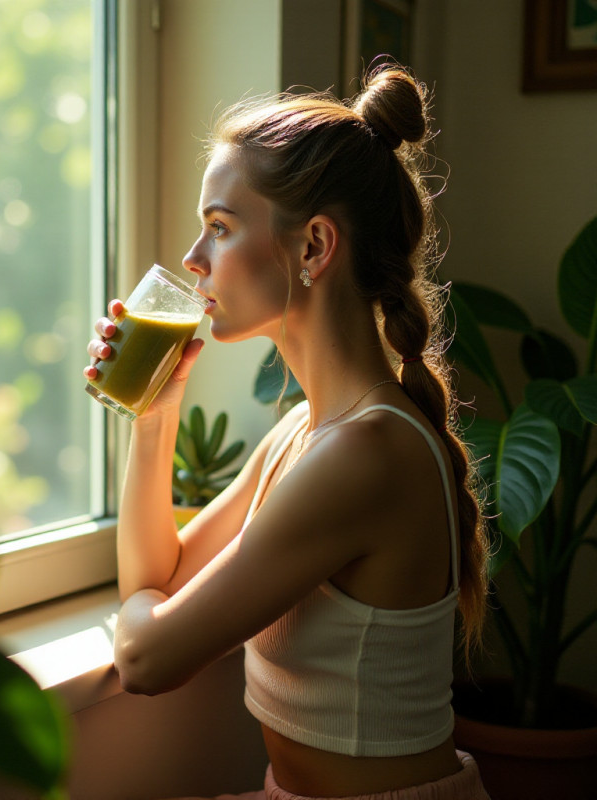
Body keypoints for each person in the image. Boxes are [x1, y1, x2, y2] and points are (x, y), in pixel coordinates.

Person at [84, 64, 491, 800]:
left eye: (219, 227)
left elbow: (145, 661)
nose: (191, 259)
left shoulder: (365, 455)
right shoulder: (306, 432)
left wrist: (142, 618)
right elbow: (161, 579)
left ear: (313, 248)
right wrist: (155, 412)